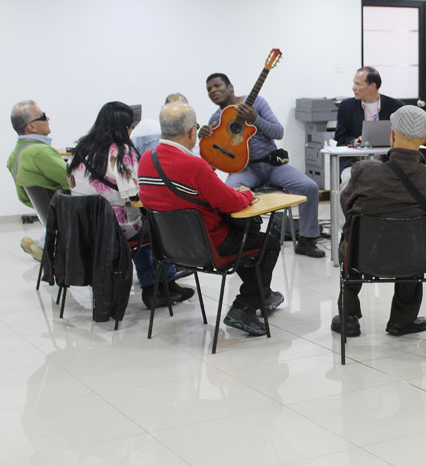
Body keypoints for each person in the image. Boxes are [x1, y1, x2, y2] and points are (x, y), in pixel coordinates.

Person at [139, 102, 284, 336]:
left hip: (170, 248)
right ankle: (244, 306)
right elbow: (231, 203)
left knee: (248, 243)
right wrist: (246, 193)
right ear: (191, 133)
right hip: (209, 246)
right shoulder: (194, 165)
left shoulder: (147, 159)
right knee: (268, 241)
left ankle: (263, 294)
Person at [332, 105, 426, 337]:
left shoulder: (364, 171)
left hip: (363, 256)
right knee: (412, 242)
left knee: (351, 241)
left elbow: (347, 206)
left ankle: (349, 317)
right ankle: (402, 320)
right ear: (425, 138)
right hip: (416, 260)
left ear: (391, 134)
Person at [67, 101, 194, 309]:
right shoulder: (122, 152)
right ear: (126, 127)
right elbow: (134, 195)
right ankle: (159, 286)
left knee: (143, 221)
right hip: (116, 228)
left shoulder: (79, 150)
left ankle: (159, 285)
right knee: (159, 224)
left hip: (86, 228)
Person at [199, 73, 325, 258]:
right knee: (229, 193)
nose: (213, 91)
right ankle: (241, 241)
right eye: (209, 89)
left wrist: (255, 118)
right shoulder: (217, 117)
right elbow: (214, 154)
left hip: (272, 165)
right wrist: (205, 136)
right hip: (244, 169)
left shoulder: (257, 102)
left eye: (217, 86)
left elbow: (279, 132)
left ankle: (307, 240)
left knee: (309, 187)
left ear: (231, 86)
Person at [6, 100, 70, 261]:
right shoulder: (38, 152)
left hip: (48, 212)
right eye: (42, 116)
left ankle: (43, 245)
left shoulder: (17, 152)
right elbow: (71, 180)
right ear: (31, 127)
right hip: (66, 213)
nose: (47, 118)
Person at [335, 66, 404, 175]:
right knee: (348, 179)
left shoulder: (395, 106)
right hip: (355, 162)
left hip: (387, 162)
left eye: (358, 84)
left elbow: (402, 136)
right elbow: (340, 138)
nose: (354, 88)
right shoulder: (346, 107)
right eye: (354, 83)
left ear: (372, 86)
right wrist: (355, 141)